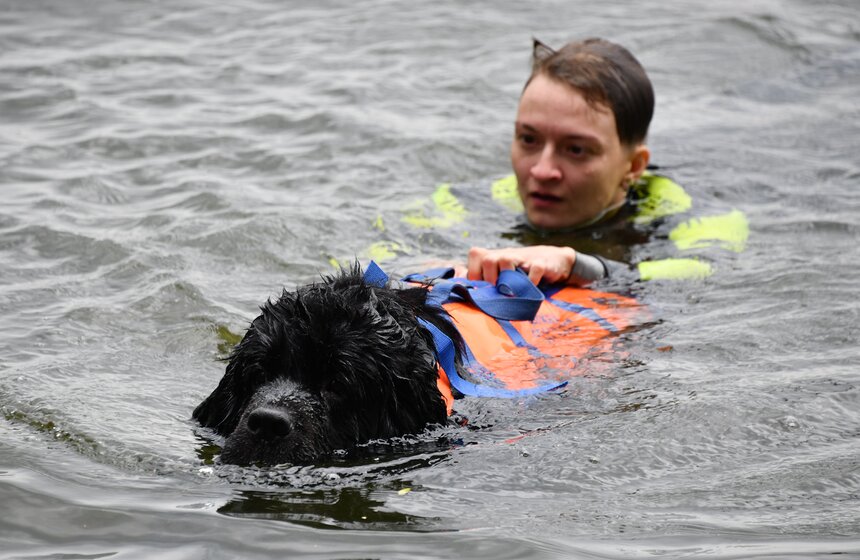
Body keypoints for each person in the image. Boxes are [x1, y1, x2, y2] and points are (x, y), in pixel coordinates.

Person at [466, 38, 654, 286]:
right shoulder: (466, 203)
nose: (542, 171)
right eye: (529, 139)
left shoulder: (681, 216)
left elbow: (695, 272)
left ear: (634, 166)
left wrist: (578, 264)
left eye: (576, 149)